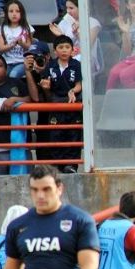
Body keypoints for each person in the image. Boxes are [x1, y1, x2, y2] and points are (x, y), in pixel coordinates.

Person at [39, 35, 83, 173]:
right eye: (61, 47)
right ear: (55, 50)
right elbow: (46, 85)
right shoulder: (50, 66)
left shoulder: (76, 65)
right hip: (56, 104)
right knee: (56, 135)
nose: (64, 50)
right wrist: (45, 86)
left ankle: (71, 165)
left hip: (72, 104)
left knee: (73, 135)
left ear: (72, 50)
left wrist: (73, 91)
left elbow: (79, 84)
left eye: (67, 47)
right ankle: (59, 165)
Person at [0, 51, 38, 175]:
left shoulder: (16, 83)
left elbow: (33, 99)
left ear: (6, 69)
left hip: (20, 147)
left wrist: (15, 100)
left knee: (25, 188)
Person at [49, 0, 102, 77]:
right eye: (67, 8)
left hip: (86, 58)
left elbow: (88, 45)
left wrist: (77, 33)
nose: (68, 11)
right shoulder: (64, 23)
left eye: (71, 8)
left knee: (73, 65)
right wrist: (60, 35)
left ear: (81, 7)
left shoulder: (93, 22)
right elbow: (61, 46)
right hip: (66, 56)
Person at [0, 1, 33, 79]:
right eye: (11, 11)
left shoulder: (27, 28)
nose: (14, 14)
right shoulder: (1, 29)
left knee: (13, 75)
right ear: (6, 13)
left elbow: (29, 47)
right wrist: (12, 45)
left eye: (17, 11)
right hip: (7, 62)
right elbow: (0, 49)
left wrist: (22, 43)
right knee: (1, 75)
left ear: (22, 13)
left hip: (22, 62)